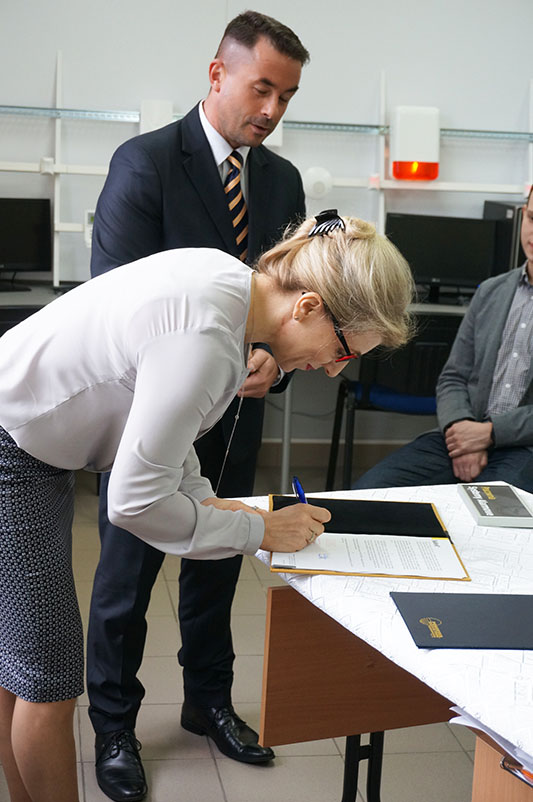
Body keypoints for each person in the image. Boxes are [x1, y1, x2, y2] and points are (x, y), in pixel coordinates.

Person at [0, 212, 414, 802]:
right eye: (343, 351)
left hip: (28, 438)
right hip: (14, 449)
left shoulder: (226, 285)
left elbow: (166, 442)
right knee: (49, 683)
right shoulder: (208, 341)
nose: (331, 369)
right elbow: (135, 502)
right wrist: (258, 532)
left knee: (21, 666)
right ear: (308, 307)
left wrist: (224, 510)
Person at [86, 11, 309, 801]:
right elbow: (113, 301)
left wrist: (270, 359)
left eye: (287, 96)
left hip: (237, 412)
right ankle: (114, 725)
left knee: (217, 563)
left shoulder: (280, 182)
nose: (272, 110)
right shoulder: (146, 164)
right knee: (128, 575)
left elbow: (290, 302)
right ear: (217, 74)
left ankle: (207, 702)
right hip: (152, 414)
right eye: (262, 89)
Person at [353, 186, 533, 493]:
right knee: (370, 492)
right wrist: (462, 432)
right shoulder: (492, 291)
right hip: (462, 434)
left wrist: (489, 434)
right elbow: (453, 377)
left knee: (488, 510)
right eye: (531, 218)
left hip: (523, 448)